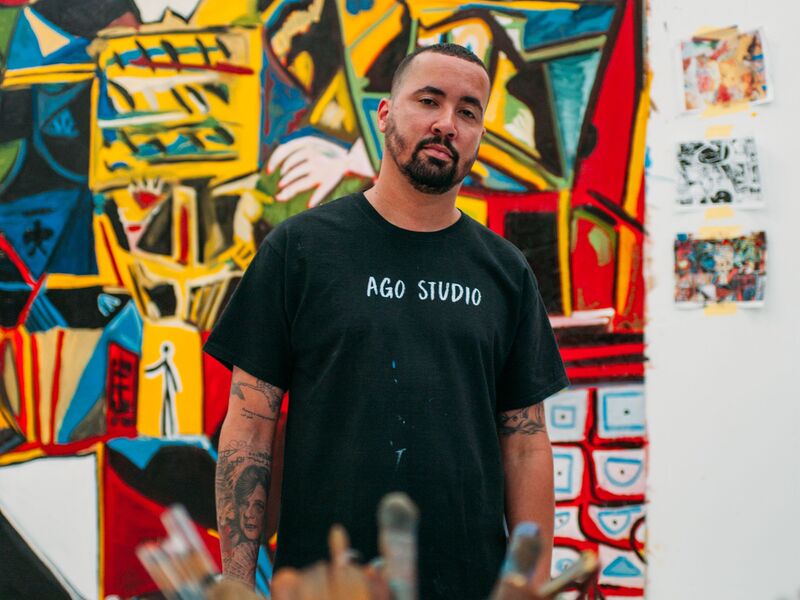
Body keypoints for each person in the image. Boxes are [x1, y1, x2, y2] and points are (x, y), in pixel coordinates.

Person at [205, 43, 569, 600]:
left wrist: (530, 589)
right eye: (429, 100)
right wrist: (235, 583)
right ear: (384, 113)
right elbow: (250, 423)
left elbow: (524, 443)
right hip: (324, 584)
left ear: (479, 134)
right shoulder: (299, 251)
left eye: (468, 111)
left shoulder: (505, 271)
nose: (446, 123)